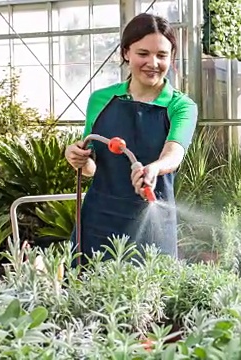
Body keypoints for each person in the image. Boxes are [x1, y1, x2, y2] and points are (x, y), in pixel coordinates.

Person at [64, 13, 198, 262]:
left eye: (162, 55)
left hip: (151, 221)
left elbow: (174, 154)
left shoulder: (181, 105)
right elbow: (93, 167)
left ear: (172, 57)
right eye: (143, 53)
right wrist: (78, 158)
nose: (153, 63)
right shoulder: (101, 100)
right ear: (126, 53)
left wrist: (154, 169)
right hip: (97, 221)